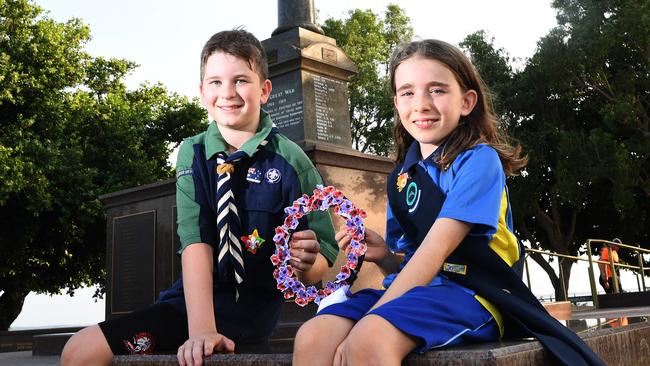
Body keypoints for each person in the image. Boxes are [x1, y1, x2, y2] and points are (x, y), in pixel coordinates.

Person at [293, 39, 604, 366]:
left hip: (474, 294)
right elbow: (412, 263)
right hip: (414, 292)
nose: (421, 104)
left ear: (467, 101)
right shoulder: (401, 178)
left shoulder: (479, 161)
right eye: (408, 92)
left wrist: (371, 316)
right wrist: (385, 257)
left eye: (437, 90)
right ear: (397, 103)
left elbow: (436, 254)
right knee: (314, 336)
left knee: (369, 339)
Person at [61, 29, 338, 366]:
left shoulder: (292, 160)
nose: (228, 93)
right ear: (202, 91)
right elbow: (195, 241)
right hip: (189, 303)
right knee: (80, 351)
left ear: (265, 90)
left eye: (241, 80)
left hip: (248, 311)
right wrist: (202, 329)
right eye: (216, 82)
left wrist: (309, 264)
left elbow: (323, 250)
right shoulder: (192, 153)